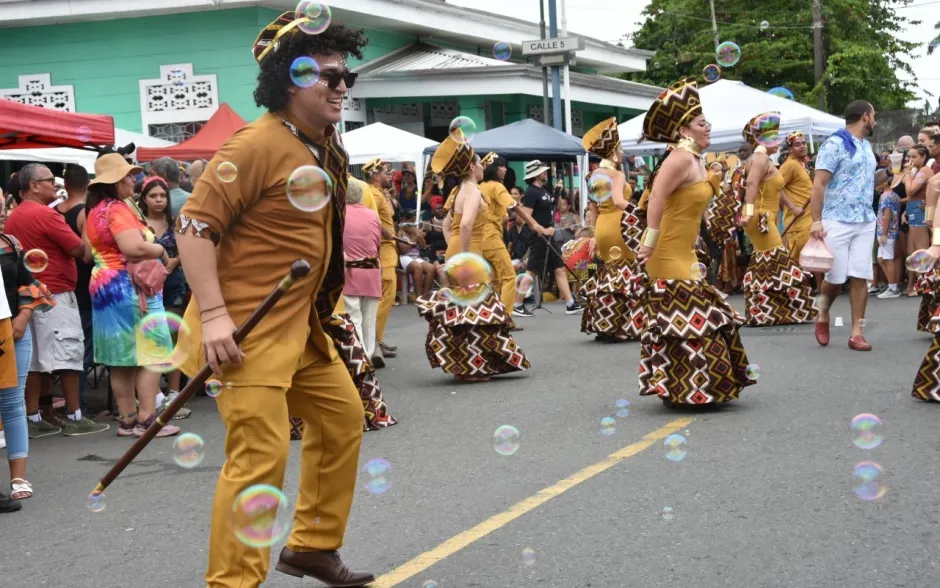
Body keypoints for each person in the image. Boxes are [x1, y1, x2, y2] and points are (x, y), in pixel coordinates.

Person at [174, 12, 373, 586]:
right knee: (259, 460)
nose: (340, 86)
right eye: (325, 76)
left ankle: (312, 545)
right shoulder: (256, 142)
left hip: (301, 328)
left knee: (342, 420)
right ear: (288, 80)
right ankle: (232, 583)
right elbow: (193, 228)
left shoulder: (322, 145)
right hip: (245, 333)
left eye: (345, 77)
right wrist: (213, 316)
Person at [636, 79, 755, 406]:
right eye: (702, 123)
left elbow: (692, 201)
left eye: (707, 121)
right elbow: (656, 197)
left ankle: (695, 387)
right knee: (689, 318)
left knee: (695, 318)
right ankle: (688, 389)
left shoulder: (696, 160)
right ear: (684, 130)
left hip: (685, 251)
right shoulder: (678, 158)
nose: (709, 127)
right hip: (667, 252)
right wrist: (649, 241)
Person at [5, 163, 108, 437]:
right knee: (69, 354)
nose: (56, 184)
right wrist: (86, 223)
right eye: (50, 180)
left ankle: (35, 415)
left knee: (36, 360)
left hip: (30, 294)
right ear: (34, 186)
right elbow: (79, 249)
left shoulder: (15, 216)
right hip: (56, 294)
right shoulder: (46, 215)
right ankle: (74, 415)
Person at [417, 135, 530, 381]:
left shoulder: (459, 190)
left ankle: (464, 366)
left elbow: (448, 224)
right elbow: (466, 224)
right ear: (471, 167)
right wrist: (466, 256)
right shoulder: (471, 190)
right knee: (473, 311)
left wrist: (454, 248)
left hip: (460, 247)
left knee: (463, 309)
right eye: (479, 163)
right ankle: (471, 368)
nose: (482, 167)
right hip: (469, 251)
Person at [85, 154, 182, 438]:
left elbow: (87, 249)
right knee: (154, 352)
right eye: (128, 176)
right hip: (129, 286)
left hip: (105, 286)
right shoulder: (117, 209)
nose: (133, 179)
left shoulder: (95, 209)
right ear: (115, 181)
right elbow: (133, 248)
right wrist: (161, 251)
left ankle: (127, 420)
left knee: (121, 357)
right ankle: (147, 419)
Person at [810, 100, 879, 351]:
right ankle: (823, 314)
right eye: (874, 116)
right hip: (836, 220)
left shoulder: (867, 146)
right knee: (835, 278)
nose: (875, 120)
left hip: (865, 219)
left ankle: (856, 332)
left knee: (860, 275)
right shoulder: (834, 143)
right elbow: (819, 185)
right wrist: (816, 221)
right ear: (864, 117)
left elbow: (864, 179)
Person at [739, 113, 815, 326]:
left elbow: (775, 187)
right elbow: (752, 184)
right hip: (760, 217)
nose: (779, 141)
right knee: (779, 261)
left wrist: (791, 206)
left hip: (766, 216)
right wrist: (749, 211)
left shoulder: (763, 159)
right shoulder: (760, 158)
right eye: (775, 137)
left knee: (766, 264)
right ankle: (772, 310)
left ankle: (766, 311)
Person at [0, 206, 54, 505]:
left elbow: (30, 285)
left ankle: (18, 477)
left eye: (0, 207)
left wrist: (23, 316)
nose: (0, 213)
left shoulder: (10, 243)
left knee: (11, 401)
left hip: (14, 332)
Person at [579, 117, 644, 343]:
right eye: (621, 148)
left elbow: (593, 208)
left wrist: (594, 235)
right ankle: (621, 326)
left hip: (603, 227)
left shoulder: (592, 177)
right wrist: (639, 210)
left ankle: (604, 323)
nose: (623, 151)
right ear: (615, 151)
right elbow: (618, 201)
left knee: (608, 272)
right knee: (625, 273)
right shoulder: (617, 175)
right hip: (619, 225)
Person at [137, 176, 192, 419]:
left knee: (174, 334)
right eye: (153, 196)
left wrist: (173, 262)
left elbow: (185, 249)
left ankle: (173, 392)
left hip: (173, 282)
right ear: (144, 199)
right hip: (148, 286)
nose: (159, 200)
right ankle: (152, 393)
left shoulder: (174, 221)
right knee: (153, 337)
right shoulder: (138, 223)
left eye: (162, 196)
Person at [517, 160, 584, 316]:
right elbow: (526, 216)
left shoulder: (542, 190)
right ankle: (518, 303)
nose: (545, 173)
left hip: (548, 235)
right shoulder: (531, 192)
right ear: (536, 174)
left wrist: (557, 192)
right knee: (532, 270)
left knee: (559, 268)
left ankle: (570, 303)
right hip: (539, 236)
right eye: (542, 171)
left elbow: (550, 206)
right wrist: (542, 229)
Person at [362, 158, 399, 364]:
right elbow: (370, 219)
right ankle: (374, 339)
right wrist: (385, 233)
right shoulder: (373, 195)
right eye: (386, 173)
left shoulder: (378, 193)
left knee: (386, 296)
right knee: (386, 295)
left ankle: (378, 338)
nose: (390, 175)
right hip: (383, 251)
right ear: (376, 176)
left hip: (388, 250)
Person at [779, 132, 816, 266]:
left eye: (803, 143)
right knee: (798, 263)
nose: (802, 147)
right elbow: (776, 187)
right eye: (797, 145)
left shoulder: (803, 165)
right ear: (790, 149)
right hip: (798, 225)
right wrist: (792, 207)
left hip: (809, 221)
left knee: (811, 262)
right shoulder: (789, 165)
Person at [873, 170, 902, 300]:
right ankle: (892, 284)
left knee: (888, 259)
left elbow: (887, 215)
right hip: (885, 231)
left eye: (877, 183)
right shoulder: (892, 195)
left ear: (885, 182)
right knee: (881, 259)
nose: (875, 185)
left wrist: (884, 233)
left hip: (887, 232)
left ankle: (893, 288)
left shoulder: (887, 196)